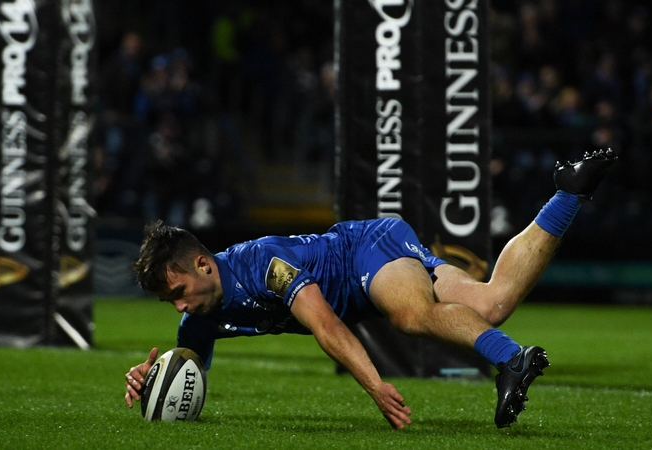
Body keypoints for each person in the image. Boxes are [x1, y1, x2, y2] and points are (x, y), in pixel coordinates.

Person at [124, 149, 618, 429]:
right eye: (172, 302)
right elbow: (184, 369)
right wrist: (152, 376)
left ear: (204, 265)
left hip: (364, 250)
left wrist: (375, 385)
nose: (180, 306)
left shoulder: (263, 265)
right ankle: (568, 192)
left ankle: (512, 359)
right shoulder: (199, 318)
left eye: (180, 291)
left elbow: (325, 324)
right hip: (369, 273)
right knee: (493, 303)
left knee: (410, 315)